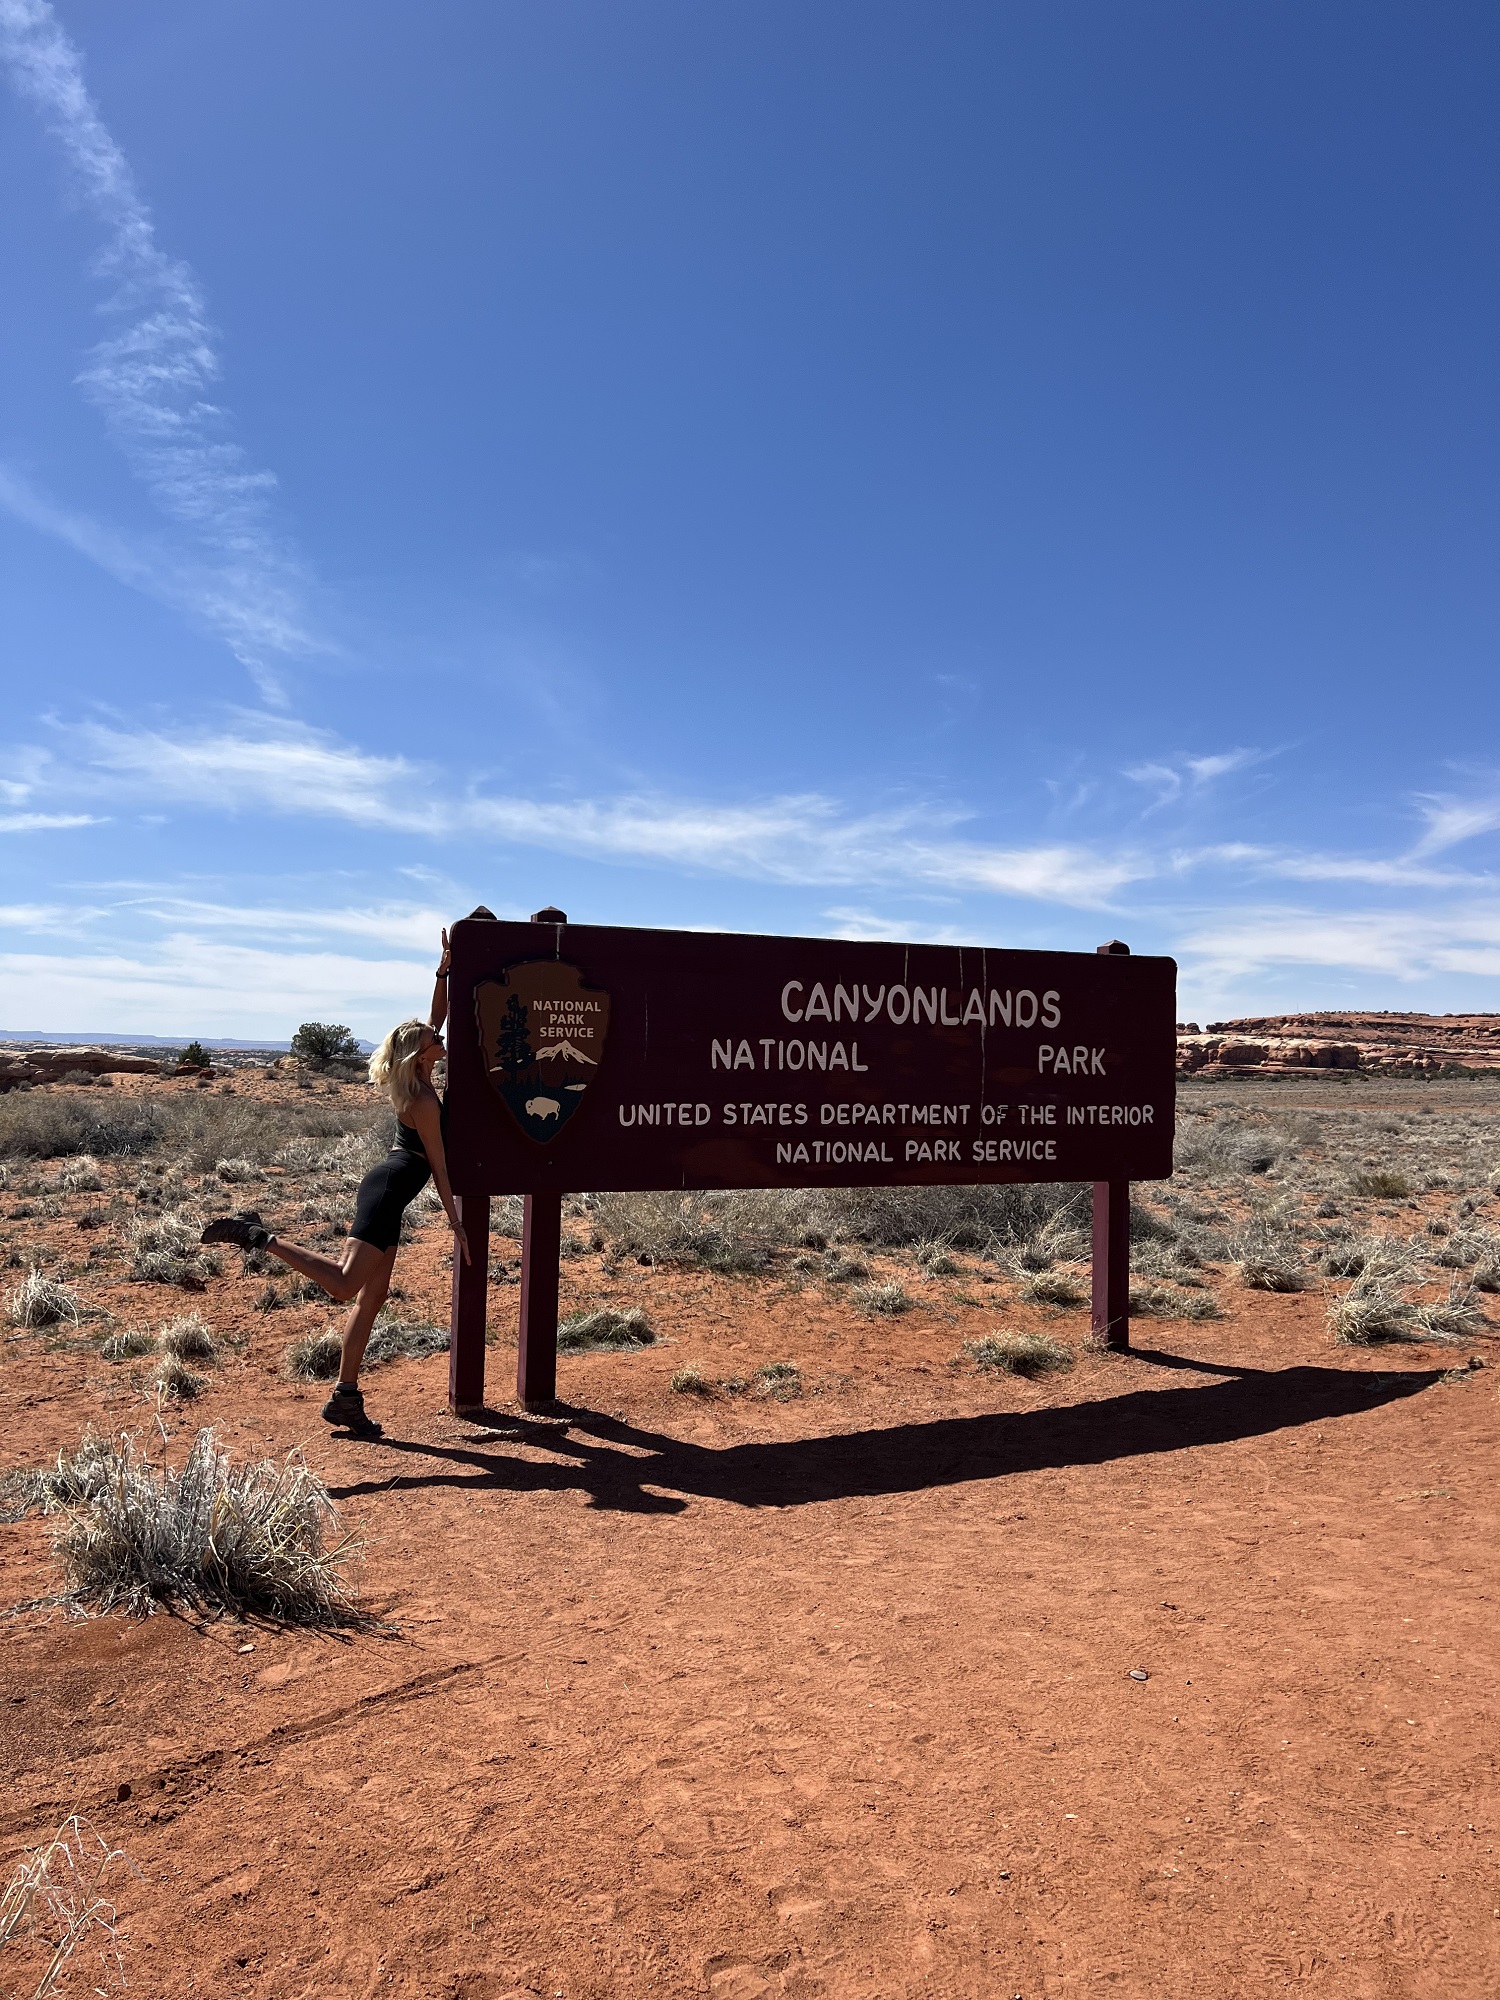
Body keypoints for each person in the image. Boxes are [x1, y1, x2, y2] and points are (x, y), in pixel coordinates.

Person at [202, 933, 468, 1438]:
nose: (440, 1036)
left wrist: (443, 968)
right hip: (390, 1190)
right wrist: (456, 1224)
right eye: (434, 1039)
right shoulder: (424, 1102)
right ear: (421, 1055)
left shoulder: (419, 1077)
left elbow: (438, 1013)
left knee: (373, 1298)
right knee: (348, 1286)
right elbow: (437, 1165)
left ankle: (346, 1398)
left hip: (389, 1187)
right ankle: (259, 1236)